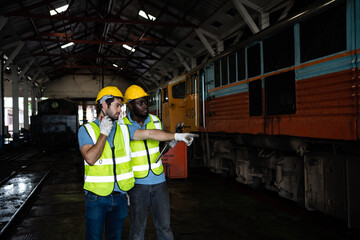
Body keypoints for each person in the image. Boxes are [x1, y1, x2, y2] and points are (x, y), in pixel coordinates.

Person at [78, 86, 196, 240]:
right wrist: (103, 134)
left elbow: (149, 133)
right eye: (117, 106)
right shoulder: (86, 130)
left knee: (115, 237)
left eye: (121, 106)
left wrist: (176, 136)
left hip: (119, 194)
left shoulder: (124, 128)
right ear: (104, 105)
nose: (121, 110)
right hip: (97, 197)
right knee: (95, 237)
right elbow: (91, 158)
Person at [120, 85, 186, 240]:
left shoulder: (156, 121)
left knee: (165, 226)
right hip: (137, 184)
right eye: (140, 103)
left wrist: (170, 144)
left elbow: (160, 147)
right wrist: (124, 189)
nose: (145, 106)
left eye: (145, 102)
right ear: (130, 105)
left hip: (159, 181)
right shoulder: (122, 126)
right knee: (137, 229)